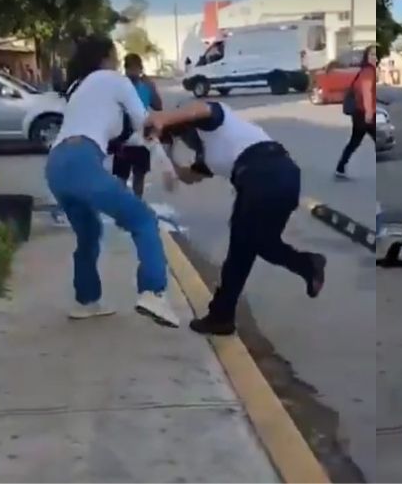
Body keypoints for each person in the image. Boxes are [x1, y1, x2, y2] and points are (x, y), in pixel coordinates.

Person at [149, 100, 327, 335]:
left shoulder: (215, 120)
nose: (187, 139)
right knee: (256, 246)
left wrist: (162, 118)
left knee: (244, 250)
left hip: (263, 174)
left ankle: (223, 315)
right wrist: (167, 156)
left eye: (184, 131)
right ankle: (223, 315)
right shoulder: (209, 153)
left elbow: (200, 109)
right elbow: (188, 177)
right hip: (278, 178)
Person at [45, 35, 178, 327]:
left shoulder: (79, 88)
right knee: (143, 220)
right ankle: (153, 291)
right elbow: (145, 122)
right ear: (106, 57)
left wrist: (141, 145)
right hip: (82, 161)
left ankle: (87, 301)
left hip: (56, 165)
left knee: (89, 233)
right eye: (116, 55)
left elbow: (125, 134)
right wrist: (165, 164)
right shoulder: (114, 79)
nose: (118, 61)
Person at [111, 53, 163, 197]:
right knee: (121, 177)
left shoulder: (146, 85)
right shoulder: (120, 85)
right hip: (123, 137)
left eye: (136, 68)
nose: (133, 72)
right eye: (130, 68)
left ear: (141, 68)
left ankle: (136, 206)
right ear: (125, 69)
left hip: (142, 135)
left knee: (139, 175)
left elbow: (158, 106)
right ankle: (121, 209)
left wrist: (152, 88)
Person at [334, 45, 383, 178]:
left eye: (376, 55)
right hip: (364, 113)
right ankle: (341, 167)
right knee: (374, 137)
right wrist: (368, 112)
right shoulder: (368, 71)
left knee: (355, 141)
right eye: (371, 55)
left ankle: (340, 167)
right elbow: (366, 92)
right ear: (366, 57)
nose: (374, 58)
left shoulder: (366, 70)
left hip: (359, 113)